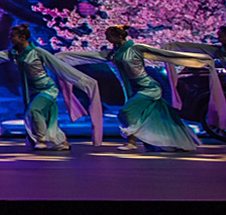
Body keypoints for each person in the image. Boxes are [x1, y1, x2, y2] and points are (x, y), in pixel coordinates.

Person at [61, 26, 220, 152]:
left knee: (126, 112)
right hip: (136, 89)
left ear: (119, 36)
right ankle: (150, 142)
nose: (107, 39)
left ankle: (132, 141)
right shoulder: (113, 54)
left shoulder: (137, 49)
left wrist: (200, 60)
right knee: (152, 118)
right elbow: (89, 56)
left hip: (149, 88)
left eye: (109, 36)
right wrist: (62, 58)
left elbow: (165, 55)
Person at [0, 24, 103, 150]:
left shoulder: (37, 52)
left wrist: (82, 81)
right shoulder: (14, 54)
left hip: (47, 89)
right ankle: (60, 142)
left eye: (13, 36)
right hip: (32, 92)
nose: (10, 39)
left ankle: (41, 139)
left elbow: (58, 66)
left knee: (34, 111)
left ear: (22, 38)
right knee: (48, 118)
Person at [159, 25, 226, 138]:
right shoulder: (220, 51)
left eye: (222, 36)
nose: (219, 38)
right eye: (219, 36)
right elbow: (199, 48)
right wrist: (172, 47)